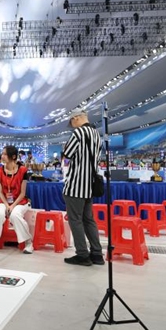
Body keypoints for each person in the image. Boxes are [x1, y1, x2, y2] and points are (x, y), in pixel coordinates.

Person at [61, 110, 103, 267]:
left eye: (71, 122)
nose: (71, 126)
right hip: (90, 184)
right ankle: (97, 254)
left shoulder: (78, 133)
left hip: (75, 184)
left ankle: (82, 254)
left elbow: (68, 154)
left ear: (76, 118)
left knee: (75, 220)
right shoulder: (96, 133)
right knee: (89, 219)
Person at [0, 145, 32, 253]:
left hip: (20, 201)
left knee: (15, 215)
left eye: (4, 154)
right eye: (2, 154)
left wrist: (12, 206)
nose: (1, 156)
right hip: (4, 201)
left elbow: (22, 193)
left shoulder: (23, 171)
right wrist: (7, 205)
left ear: (13, 156)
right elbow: (0, 192)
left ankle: (28, 243)